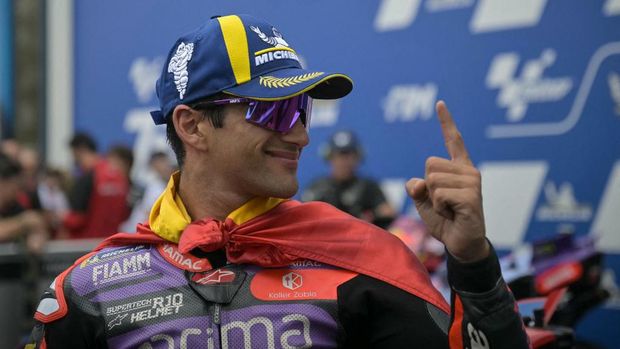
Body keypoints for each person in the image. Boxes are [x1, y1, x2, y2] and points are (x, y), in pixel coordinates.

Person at [26, 15, 529, 348]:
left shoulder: (363, 262)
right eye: (277, 110)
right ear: (191, 125)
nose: (303, 135)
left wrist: (473, 263)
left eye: (303, 110)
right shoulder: (90, 287)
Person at [302, 130, 396, 228]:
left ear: (358, 157)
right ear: (329, 157)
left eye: (349, 155)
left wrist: (370, 216)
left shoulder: (367, 186)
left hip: (359, 237)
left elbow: (388, 211)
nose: (344, 161)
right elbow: (302, 215)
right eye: (339, 155)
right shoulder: (317, 187)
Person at [60, 133, 130, 239]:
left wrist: (61, 218)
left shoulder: (89, 177)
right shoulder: (119, 176)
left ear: (79, 150)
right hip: (112, 243)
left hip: (87, 245)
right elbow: (124, 213)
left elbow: (78, 219)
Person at [0, 152, 48, 253]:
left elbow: (37, 223)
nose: (17, 192)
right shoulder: (22, 219)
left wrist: (37, 236)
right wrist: (23, 222)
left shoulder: (15, 206)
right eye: (14, 186)